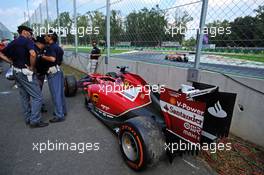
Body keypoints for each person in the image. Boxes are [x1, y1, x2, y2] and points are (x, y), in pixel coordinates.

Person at [0, 25, 48, 128]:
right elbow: (33, 54)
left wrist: (10, 62)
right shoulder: (27, 41)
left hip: (16, 72)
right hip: (26, 73)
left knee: (24, 97)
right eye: (30, 33)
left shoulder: (13, 42)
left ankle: (28, 118)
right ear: (25, 32)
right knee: (37, 97)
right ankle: (35, 121)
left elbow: (1, 53)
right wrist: (31, 66)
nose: (31, 35)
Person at [41, 31, 67, 123]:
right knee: (60, 93)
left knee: (56, 95)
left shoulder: (51, 47)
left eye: (46, 36)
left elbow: (52, 59)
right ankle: (62, 111)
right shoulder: (58, 47)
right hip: (58, 70)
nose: (44, 37)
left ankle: (59, 115)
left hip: (53, 72)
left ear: (50, 37)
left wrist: (42, 56)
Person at [34, 35, 48, 112]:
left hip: (41, 73)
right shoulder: (33, 49)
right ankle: (38, 107)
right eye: (43, 44)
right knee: (36, 92)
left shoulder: (42, 49)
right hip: (36, 74)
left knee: (39, 90)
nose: (44, 45)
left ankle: (40, 105)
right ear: (39, 43)